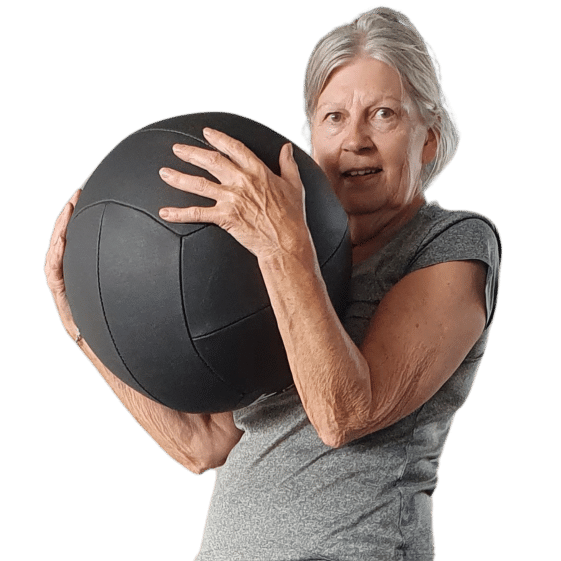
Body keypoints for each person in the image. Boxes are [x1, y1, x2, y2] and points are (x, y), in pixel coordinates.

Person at [44, 6, 502, 560]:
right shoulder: (284, 258)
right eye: (333, 117)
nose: (354, 139)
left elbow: (343, 416)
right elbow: (203, 445)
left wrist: (282, 243)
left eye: (383, 114)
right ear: (311, 140)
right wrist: (83, 326)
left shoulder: (453, 242)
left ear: (427, 140)